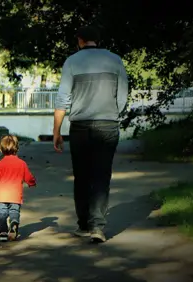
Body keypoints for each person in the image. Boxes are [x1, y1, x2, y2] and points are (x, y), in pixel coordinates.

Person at [53, 26, 128, 243]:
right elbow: (122, 95)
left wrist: (56, 131)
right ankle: (98, 227)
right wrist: (112, 113)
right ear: (97, 39)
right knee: (102, 175)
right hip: (108, 124)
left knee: (82, 176)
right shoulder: (115, 60)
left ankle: (84, 224)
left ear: (80, 40)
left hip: (80, 127)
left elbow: (63, 99)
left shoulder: (72, 62)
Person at [0, 135, 37, 242]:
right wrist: (31, 183)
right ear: (17, 148)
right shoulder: (22, 163)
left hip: (1, 196)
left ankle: (3, 233)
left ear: (0, 149)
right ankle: (14, 222)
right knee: (14, 211)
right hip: (15, 195)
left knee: (1, 215)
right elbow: (28, 177)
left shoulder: (0, 164)